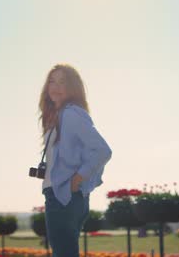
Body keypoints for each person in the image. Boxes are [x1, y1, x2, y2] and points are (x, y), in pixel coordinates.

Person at [37, 63, 112, 257]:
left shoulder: (71, 114)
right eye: (52, 81)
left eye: (62, 82)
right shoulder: (59, 116)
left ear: (73, 87)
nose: (55, 87)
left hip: (64, 197)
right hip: (63, 196)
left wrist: (78, 179)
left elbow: (103, 151)